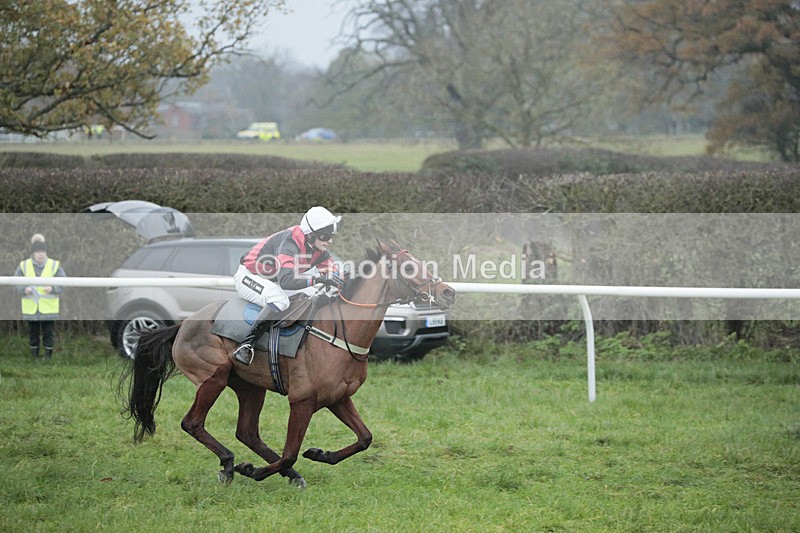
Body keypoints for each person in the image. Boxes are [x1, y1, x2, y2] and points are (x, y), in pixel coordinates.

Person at [232, 206, 344, 365]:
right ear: (310, 234)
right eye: (325, 236)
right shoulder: (289, 243)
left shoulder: (318, 248)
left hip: (275, 279)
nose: (330, 241)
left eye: (331, 236)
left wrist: (341, 278)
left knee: (314, 295)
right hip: (250, 276)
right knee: (279, 301)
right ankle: (246, 345)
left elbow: (332, 273)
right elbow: (287, 281)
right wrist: (320, 280)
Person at [14, 234, 67, 360]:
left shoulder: (54, 265)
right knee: (33, 333)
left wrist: (53, 288)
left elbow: (64, 282)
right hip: (31, 308)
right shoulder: (24, 265)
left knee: (48, 333)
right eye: (38, 252)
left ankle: (48, 357)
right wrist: (23, 289)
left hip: (49, 309)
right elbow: (15, 282)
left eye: (43, 251)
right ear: (33, 253)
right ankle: (34, 356)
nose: (41, 254)